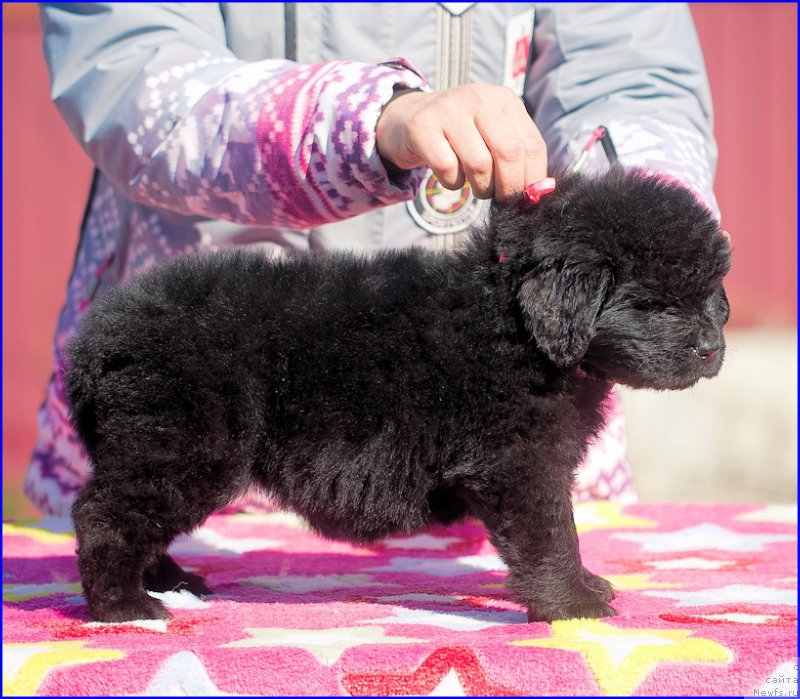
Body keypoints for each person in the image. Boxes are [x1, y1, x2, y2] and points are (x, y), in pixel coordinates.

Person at [25, 3, 719, 517]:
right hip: (226, 393)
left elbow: (634, 71)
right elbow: (132, 66)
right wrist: (370, 120)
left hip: (522, 428)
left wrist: (644, 229)